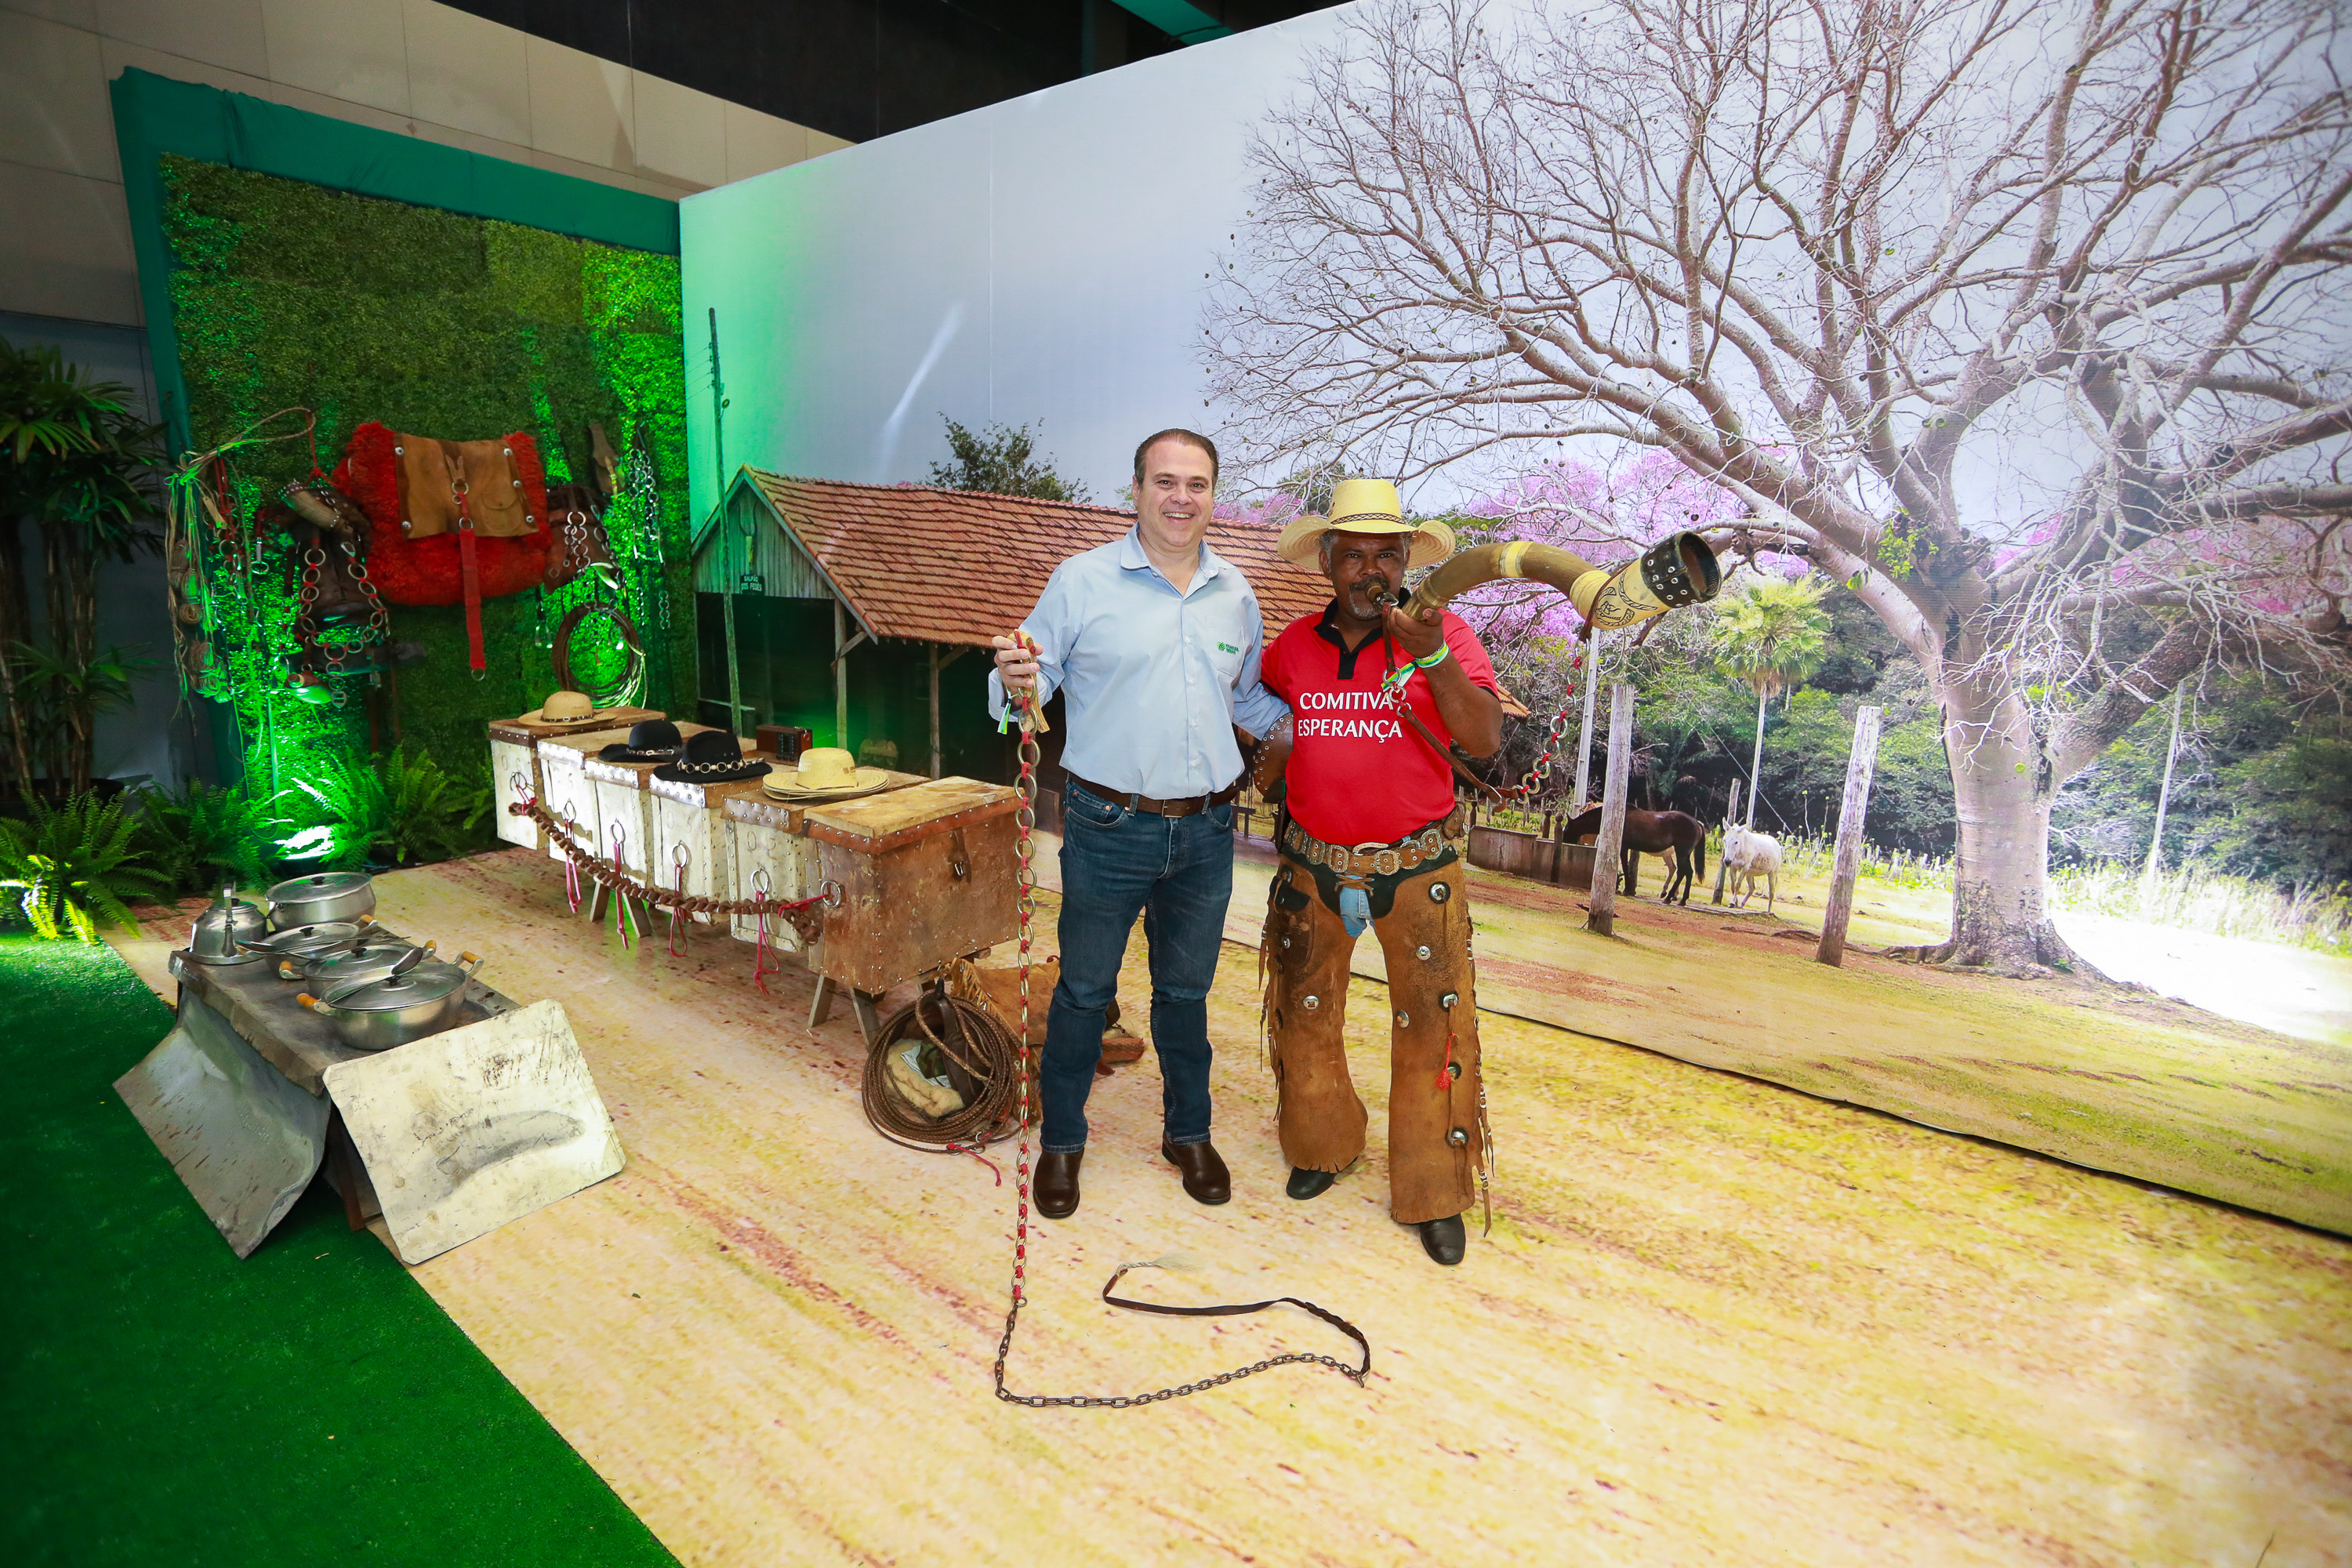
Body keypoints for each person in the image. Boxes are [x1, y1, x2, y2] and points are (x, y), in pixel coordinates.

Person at [988, 429, 1287, 1220]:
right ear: (1137, 489)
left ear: (1214, 495)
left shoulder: (1236, 594)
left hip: (1207, 832)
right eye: (1165, 481)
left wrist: (1327, 728)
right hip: (1107, 826)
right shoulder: (1081, 581)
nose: (1181, 497)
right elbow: (1029, 684)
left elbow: (1247, 700)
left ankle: (1188, 1135)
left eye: (1197, 483)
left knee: (1186, 995)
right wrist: (1014, 679)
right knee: (1085, 993)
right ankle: (1062, 1143)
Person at [1256, 479, 1505, 1266]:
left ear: (1406, 562)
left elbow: (1484, 739)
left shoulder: (1447, 634)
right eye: (1354, 555)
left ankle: (1434, 1191)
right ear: (1326, 563)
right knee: (1304, 1014)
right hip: (1312, 864)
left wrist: (1431, 654)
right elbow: (1264, 717)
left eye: (1387, 556)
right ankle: (1322, 1145)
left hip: (1418, 868)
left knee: (1434, 1027)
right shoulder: (1292, 646)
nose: (1371, 570)